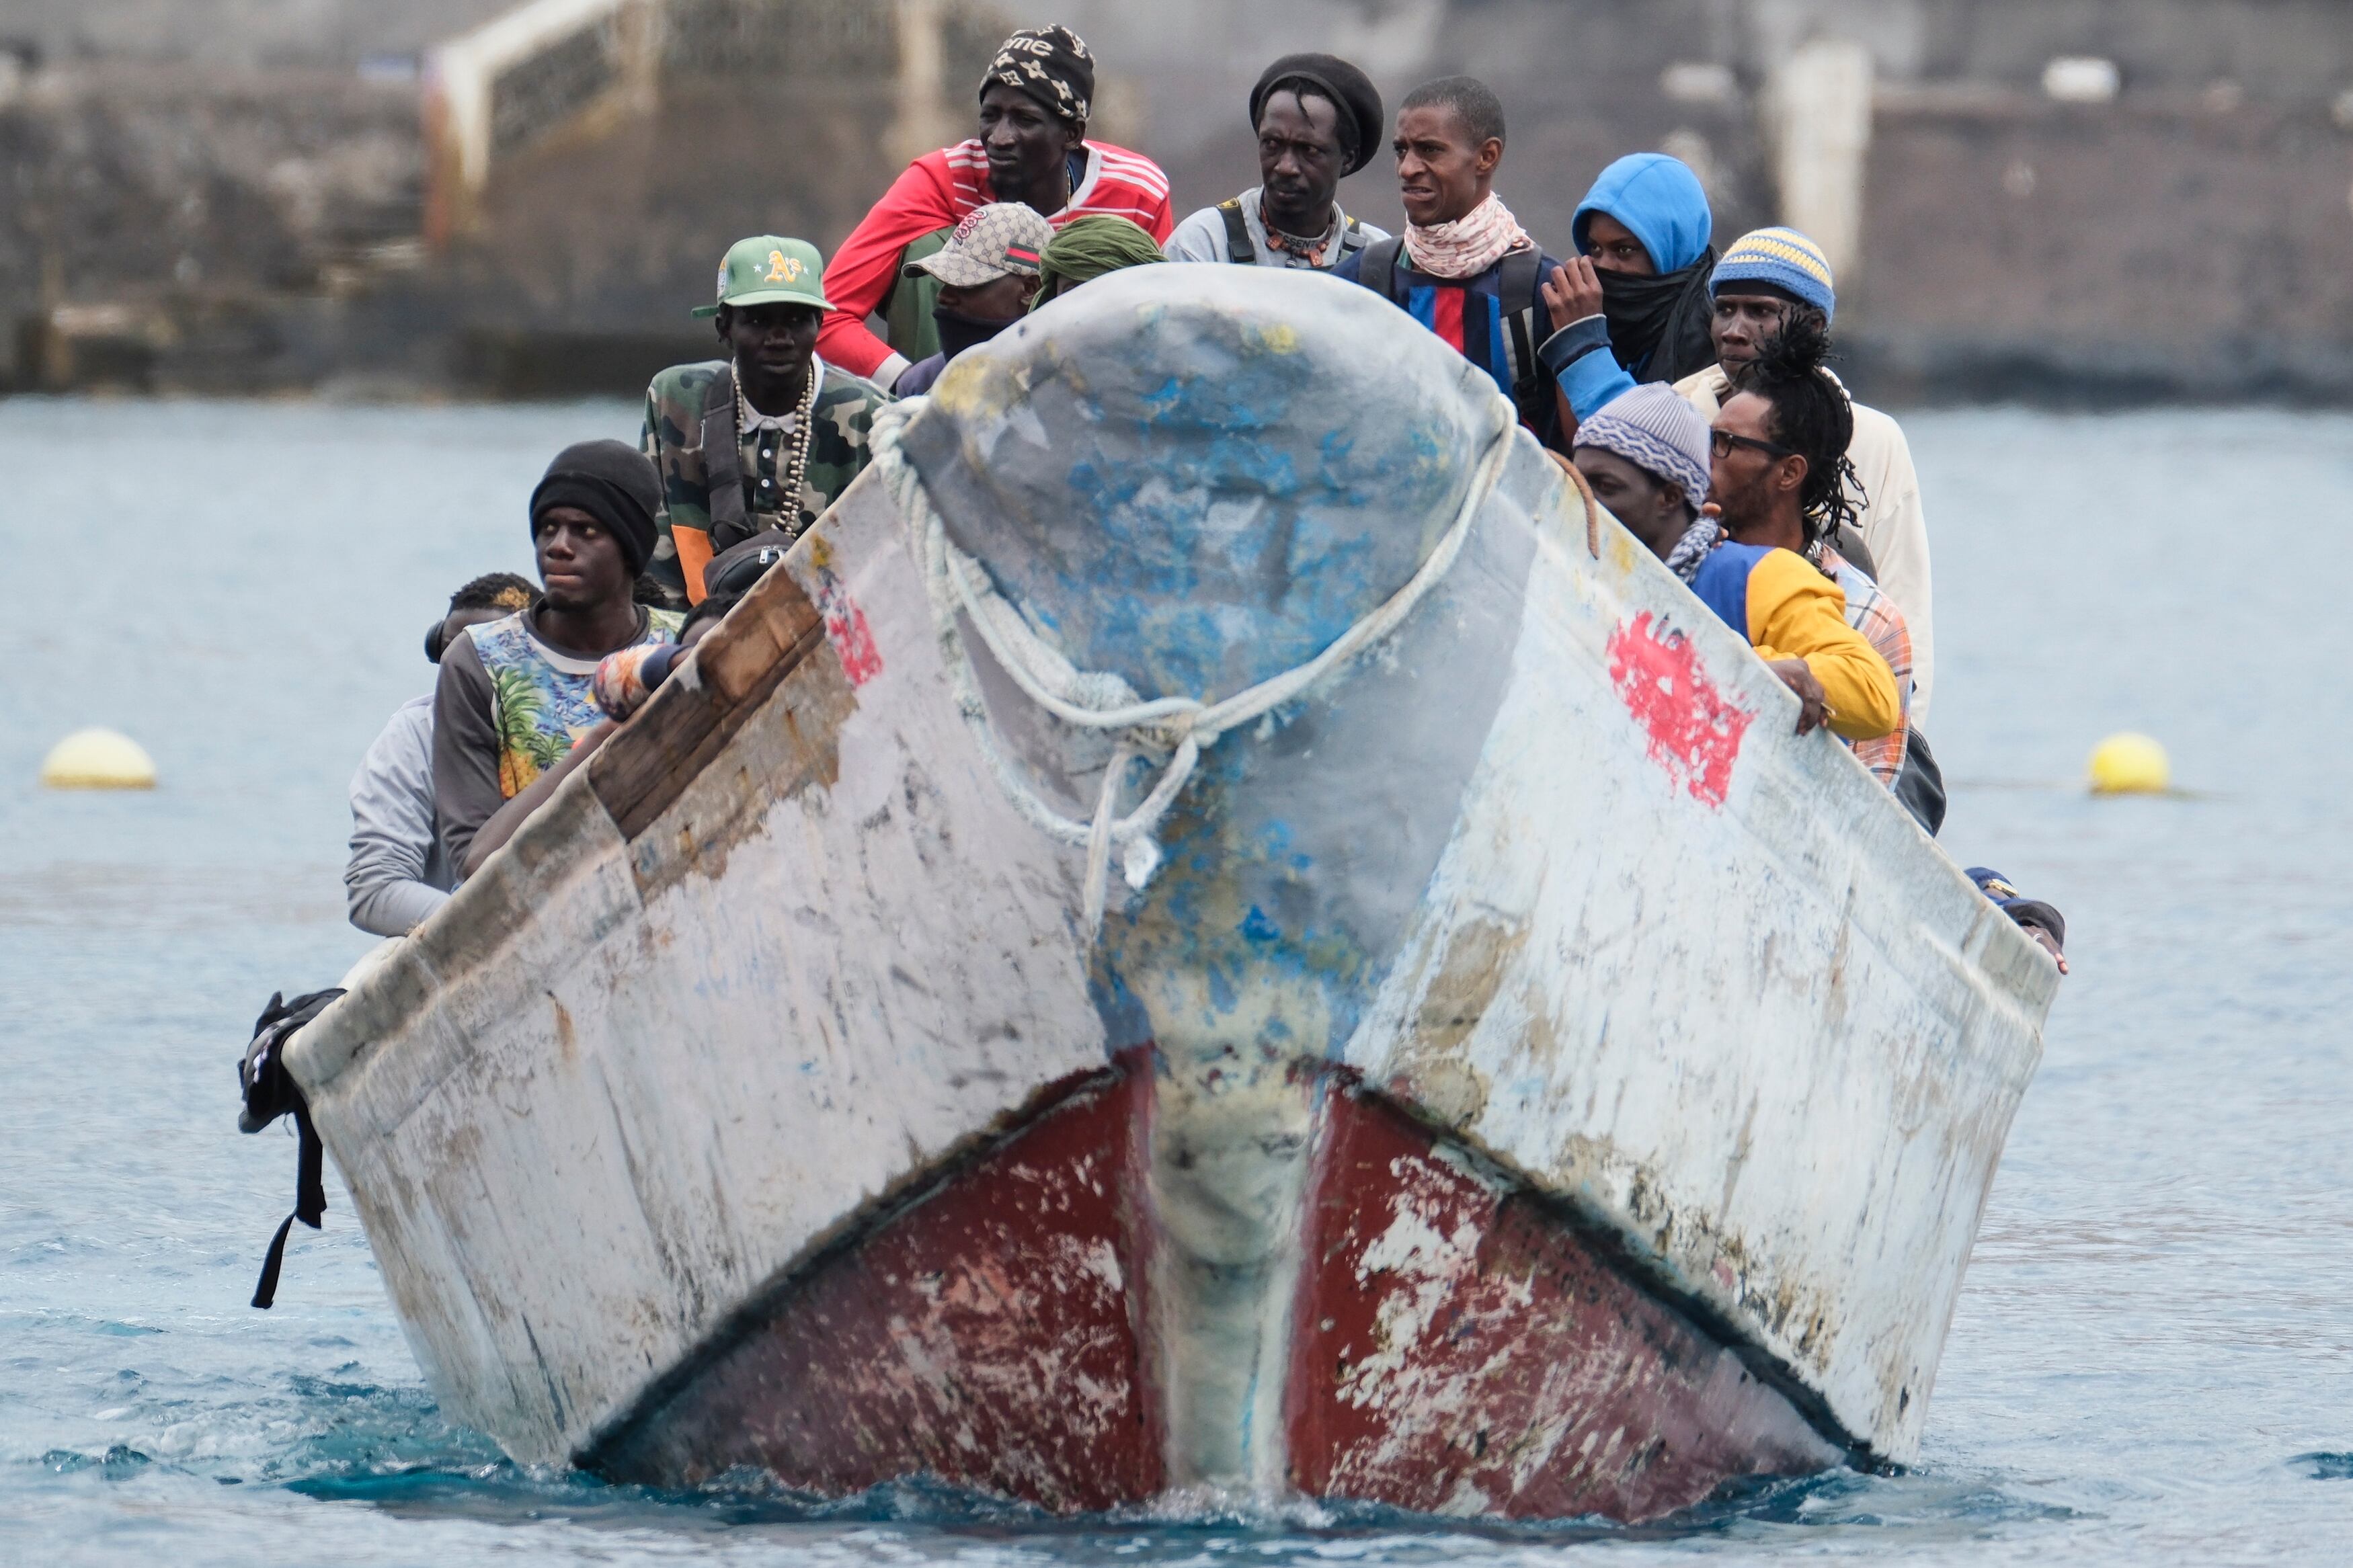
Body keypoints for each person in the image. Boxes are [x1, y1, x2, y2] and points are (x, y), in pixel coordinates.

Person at [1548, 226, 1938, 726]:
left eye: (1759, 312)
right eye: (1725, 309)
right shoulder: (1676, 405)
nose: (1734, 329)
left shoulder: (1872, 439)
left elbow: (1904, 616)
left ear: (1814, 325)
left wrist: (1910, 734)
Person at [817, 26, 1174, 392]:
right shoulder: (943, 181)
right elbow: (826, 315)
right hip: (947, 380)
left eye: (1025, 120)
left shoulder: (1135, 193)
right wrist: (909, 384)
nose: (999, 138)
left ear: (1072, 134)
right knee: (927, 252)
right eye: (991, 115)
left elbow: (1169, 320)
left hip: (1091, 387)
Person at [1567, 382, 1895, 743]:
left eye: (1606, 487)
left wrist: (1751, 672)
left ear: (1670, 496)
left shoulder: (1760, 575)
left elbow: (1873, 695)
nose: (1583, 500)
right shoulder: (1575, 571)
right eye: (1576, 481)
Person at [434, 441, 684, 878]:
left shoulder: (679, 646)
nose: (559, 547)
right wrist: (600, 744)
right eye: (548, 528)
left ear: (630, 549)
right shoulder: (479, 661)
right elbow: (475, 866)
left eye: (586, 530)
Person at [639, 236, 891, 606]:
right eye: (758, 320)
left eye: (797, 319)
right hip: (691, 638)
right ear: (723, 326)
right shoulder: (676, 400)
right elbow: (655, 557)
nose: (780, 338)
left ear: (820, 323)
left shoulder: (871, 415)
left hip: (831, 638)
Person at [1335, 76, 1568, 443]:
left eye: (1429, 150)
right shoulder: (1361, 280)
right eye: (1401, 151)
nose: (1407, 168)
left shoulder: (1547, 293)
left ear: (1487, 156)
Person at [344, 573, 534, 938]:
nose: (464, 674)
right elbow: (374, 889)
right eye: (454, 659)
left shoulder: (579, 721)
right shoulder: (414, 734)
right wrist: (501, 930)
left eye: (485, 661)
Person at [1168, 53, 1388, 272]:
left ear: (1348, 159)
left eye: (1309, 150)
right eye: (1272, 144)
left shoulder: (1378, 259)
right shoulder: (1201, 245)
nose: (1285, 167)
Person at [1548, 153, 1720, 393]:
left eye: (1624, 249)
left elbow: (1623, 429)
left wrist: (1582, 346)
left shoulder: (1716, 334)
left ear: (1672, 247)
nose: (1603, 266)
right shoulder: (1599, 314)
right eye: (1595, 248)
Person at [891, 203, 1055, 397]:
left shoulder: (1068, 379)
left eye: (966, 283)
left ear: (1029, 289)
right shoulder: (920, 383)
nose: (943, 296)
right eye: (945, 281)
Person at [1029, 214, 1166, 308]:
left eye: (1108, 293)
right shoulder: (1037, 349)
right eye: (1072, 292)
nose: (1089, 306)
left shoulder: (1177, 348)